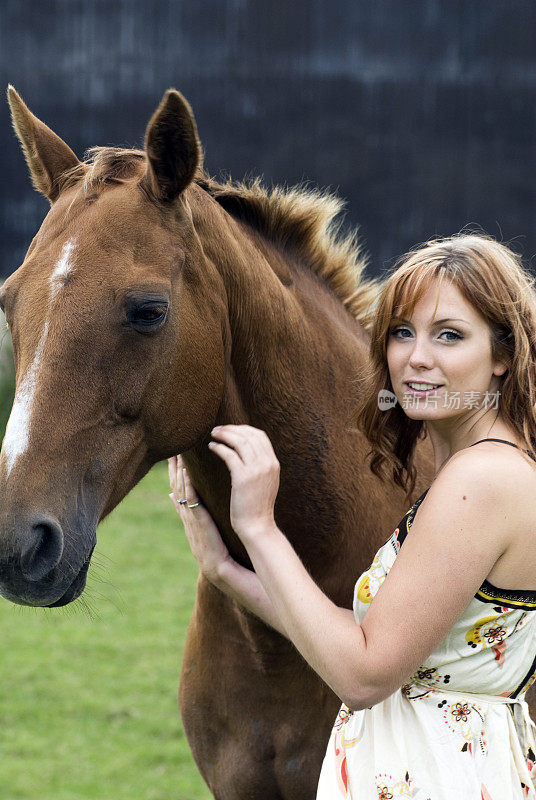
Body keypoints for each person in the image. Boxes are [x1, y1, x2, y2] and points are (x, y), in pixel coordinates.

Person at [168, 232, 536, 799]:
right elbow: (365, 639)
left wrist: (259, 527)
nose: (417, 358)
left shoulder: (480, 481)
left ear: (503, 357)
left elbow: (362, 674)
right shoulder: (492, 469)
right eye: (402, 333)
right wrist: (228, 573)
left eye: (450, 336)